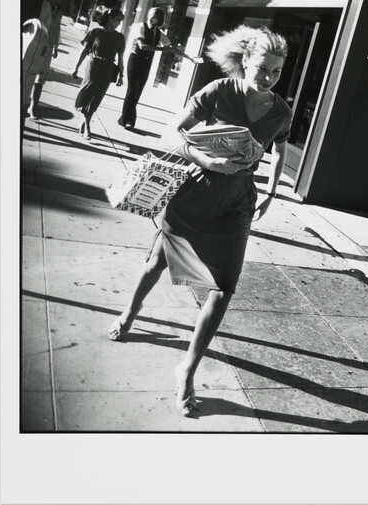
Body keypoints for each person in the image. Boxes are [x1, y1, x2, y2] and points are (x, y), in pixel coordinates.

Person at [108, 25, 292, 418]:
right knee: (157, 261)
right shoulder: (218, 91)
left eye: (276, 71)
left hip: (236, 203)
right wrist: (207, 159)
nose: (268, 77)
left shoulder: (281, 110)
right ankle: (130, 312)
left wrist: (273, 189)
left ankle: (187, 368)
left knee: (223, 287)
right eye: (262, 67)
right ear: (245, 61)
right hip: (193, 194)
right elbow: (171, 132)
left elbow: (280, 149)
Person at [117, 7, 204, 130]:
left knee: (138, 92)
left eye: (157, 17)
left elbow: (172, 48)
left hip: (147, 63)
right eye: (153, 16)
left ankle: (124, 119)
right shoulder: (141, 27)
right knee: (131, 90)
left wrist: (189, 57)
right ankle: (128, 120)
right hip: (135, 60)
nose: (154, 19)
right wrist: (162, 49)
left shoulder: (159, 33)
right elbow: (142, 46)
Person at [71, 8, 125, 140]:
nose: (119, 23)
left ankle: (85, 123)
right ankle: (87, 126)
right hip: (93, 65)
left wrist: (121, 75)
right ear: (110, 18)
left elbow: (121, 58)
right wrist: (76, 67)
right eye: (118, 20)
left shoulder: (120, 37)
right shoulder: (95, 32)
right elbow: (85, 50)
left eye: (120, 21)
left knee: (98, 96)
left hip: (108, 69)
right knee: (88, 92)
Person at [22, 0, 65, 120]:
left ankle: (34, 105)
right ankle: (26, 102)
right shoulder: (42, 5)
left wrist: (56, 46)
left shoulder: (57, 12)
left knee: (41, 78)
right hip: (36, 43)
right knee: (30, 72)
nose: (57, 1)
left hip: (48, 45)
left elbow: (56, 29)